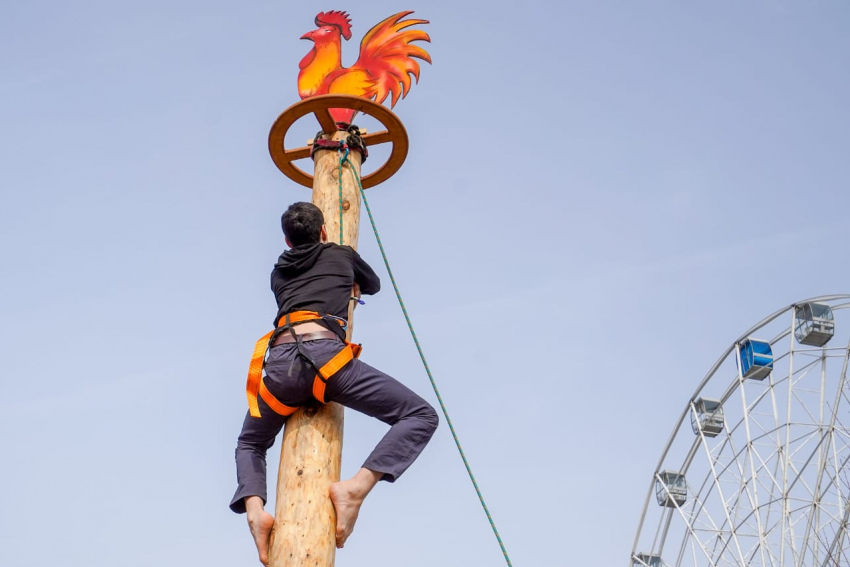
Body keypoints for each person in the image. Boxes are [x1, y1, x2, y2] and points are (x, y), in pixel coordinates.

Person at [230, 201, 439, 565]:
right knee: (420, 415)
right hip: (327, 362)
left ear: (286, 240)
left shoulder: (278, 273)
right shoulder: (341, 254)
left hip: (279, 368)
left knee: (251, 442)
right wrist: (347, 274)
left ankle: (254, 510)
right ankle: (355, 488)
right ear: (324, 231)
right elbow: (371, 285)